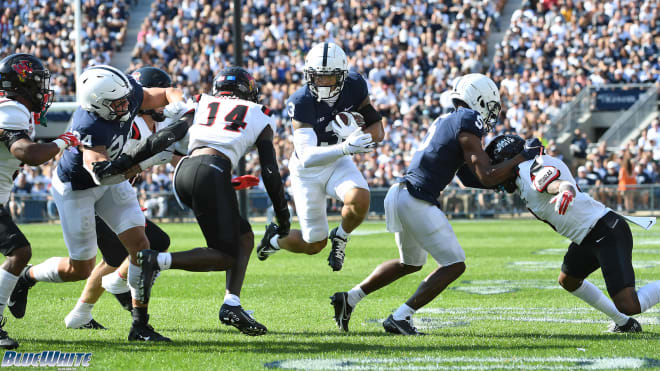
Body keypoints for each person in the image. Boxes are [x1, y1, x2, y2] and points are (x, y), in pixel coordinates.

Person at [329, 73, 543, 335]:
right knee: (455, 264)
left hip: (400, 192)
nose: (490, 114)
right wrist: (521, 157)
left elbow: (470, 177)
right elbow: (486, 174)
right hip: (416, 197)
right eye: (490, 106)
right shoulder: (468, 118)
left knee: (410, 263)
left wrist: (502, 182)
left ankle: (349, 299)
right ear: (478, 99)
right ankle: (401, 317)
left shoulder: (449, 119)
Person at [96, 66, 290, 336]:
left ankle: (231, 303)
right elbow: (270, 171)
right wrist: (283, 216)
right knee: (224, 256)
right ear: (248, 91)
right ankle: (158, 260)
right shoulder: (259, 113)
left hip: (185, 171)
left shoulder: (202, 102)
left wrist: (127, 162)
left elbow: (169, 134)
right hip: (212, 170)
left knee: (243, 234)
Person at [9, 64, 186, 342]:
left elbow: (167, 92)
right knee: (80, 269)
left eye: (126, 98)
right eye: (118, 103)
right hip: (79, 187)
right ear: (98, 104)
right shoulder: (89, 125)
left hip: (111, 184)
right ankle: (27, 276)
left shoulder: (128, 92)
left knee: (141, 246)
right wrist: (150, 157)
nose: (127, 105)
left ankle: (140, 326)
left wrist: (180, 107)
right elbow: (102, 174)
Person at [485, 134, 660, 333]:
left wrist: (565, 190)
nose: (497, 173)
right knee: (568, 280)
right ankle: (624, 324)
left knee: (629, 304)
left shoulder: (527, 169)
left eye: (498, 165)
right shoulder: (528, 166)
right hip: (588, 235)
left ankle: (625, 318)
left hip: (604, 231)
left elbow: (553, 182)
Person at [62, 67, 182, 329]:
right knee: (128, 253)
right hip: (90, 190)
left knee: (127, 253)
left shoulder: (137, 109)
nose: (126, 103)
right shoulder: (124, 123)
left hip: (114, 189)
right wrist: (140, 166)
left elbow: (169, 154)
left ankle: (84, 312)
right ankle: (114, 290)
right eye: (119, 101)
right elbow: (109, 166)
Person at [256, 41, 385, 272]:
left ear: (343, 75)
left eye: (330, 77)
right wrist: (347, 147)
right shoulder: (301, 100)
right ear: (309, 75)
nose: (323, 82)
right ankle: (273, 240)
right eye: (318, 77)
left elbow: (377, 129)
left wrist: (363, 138)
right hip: (308, 172)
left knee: (360, 198)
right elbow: (306, 156)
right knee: (314, 243)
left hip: (336, 162)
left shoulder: (355, 85)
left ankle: (342, 237)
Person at [0, 53, 80, 348]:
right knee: (19, 253)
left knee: (19, 251)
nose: (42, 90)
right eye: (37, 83)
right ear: (22, 84)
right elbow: (27, 153)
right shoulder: (13, 109)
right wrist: (64, 141)